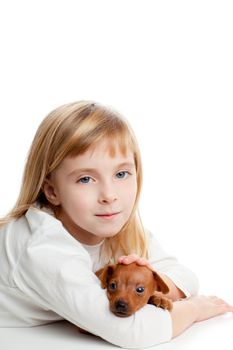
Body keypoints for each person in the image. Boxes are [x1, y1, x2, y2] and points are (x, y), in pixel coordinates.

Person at [0, 101, 232, 348]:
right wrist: (195, 309)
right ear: (52, 191)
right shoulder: (41, 247)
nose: (109, 195)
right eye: (86, 179)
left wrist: (148, 284)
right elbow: (131, 331)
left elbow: (186, 278)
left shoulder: (114, 227)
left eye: (121, 174)